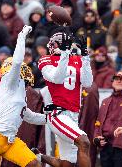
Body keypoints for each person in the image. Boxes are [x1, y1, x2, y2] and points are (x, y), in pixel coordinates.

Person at [0, 26, 46, 167]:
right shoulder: (9, 82)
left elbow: (30, 116)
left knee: (34, 164)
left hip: (10, 141)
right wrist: (22, 36)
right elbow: (17, 61)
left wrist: (52, 118)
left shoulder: (21, 92)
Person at [37, 32, 92, 167]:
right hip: (58, 114)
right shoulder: (46, 60)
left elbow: (87, 82)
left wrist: (85, 57)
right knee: (84, 142)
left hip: (73, 114)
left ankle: (39, 156)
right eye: (58, 43)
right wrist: (64, 55)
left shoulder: (77, 59)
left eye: (61, 43)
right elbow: (57, 78)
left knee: (67, 164)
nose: (59, 46)